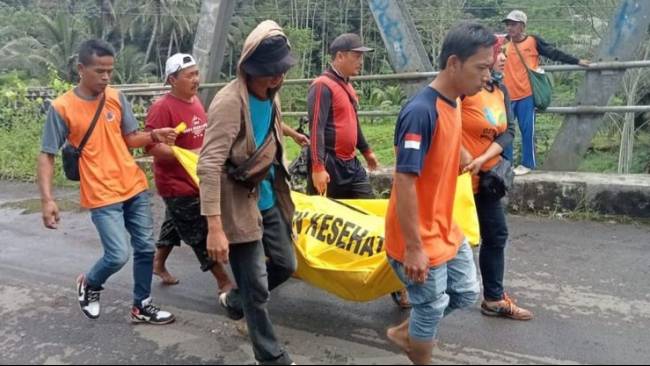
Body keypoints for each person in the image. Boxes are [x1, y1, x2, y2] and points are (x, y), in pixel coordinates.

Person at [38, 39, 176, 324]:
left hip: (133, 184)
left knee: (146, 248)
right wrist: (47, 199)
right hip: (101, 192)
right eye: (99, 71)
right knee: (116, 254)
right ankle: (90, 283)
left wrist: (154, 135)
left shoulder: (115, 97)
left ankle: (142, 305)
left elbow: (130, 138)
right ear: (81, 69)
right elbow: (47, 155)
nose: (105, 77)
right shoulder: (63, 107)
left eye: (110, 71)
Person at [384, 22, 495, 364]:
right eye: (481, 68)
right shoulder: (420, 112)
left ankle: (406, 332)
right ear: (453, 64)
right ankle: (420, 354)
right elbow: (404, 181)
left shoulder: (455, 100)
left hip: (445, 226)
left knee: (465, 292)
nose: (487, 77)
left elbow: (448, 139)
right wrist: (414, 248)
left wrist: (464, 157)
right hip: (417, 237)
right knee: (430, 306)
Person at [198, 20, 297, 365]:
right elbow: (208, 164)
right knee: (257, 286)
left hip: (269, 197)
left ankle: (234, 300)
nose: (277, 78)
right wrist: (214, 226)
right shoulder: (228, 102)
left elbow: (271, 134)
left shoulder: (272, 94)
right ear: (249, 70)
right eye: (271, 73)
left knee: (286, 264)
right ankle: (270, 356)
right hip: (238, 204)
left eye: (280, 72)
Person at [145, 53, 234, 295]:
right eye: (189, 75)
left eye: (196, 74)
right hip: (176, 184)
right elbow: (152, 147)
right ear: (172, 80)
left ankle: (157, 263)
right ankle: (223, 282)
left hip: (198, 179)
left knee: (175, 222)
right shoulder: (161, 108)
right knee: (199, 232)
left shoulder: (195, 102)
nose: (196, 79)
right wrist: (184, 153)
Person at [461, 37, 533, 320]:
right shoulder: (464, 90)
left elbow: (508, 132)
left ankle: (493, 298)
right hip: (459, 180)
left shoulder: (500, 89)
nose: (503, 57)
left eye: (503, 52)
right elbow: (445, 123)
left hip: (488, 179)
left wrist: (483, 157)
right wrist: (468, 157)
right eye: (497, 53)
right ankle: (408, 289)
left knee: (496, 234)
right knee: (443, 239)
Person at [502, 10, 589, 175]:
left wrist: (577, 61)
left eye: (513, 24)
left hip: (526, 95)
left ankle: (528, 164)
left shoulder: (533, 41)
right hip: (507, 96)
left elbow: (553, 53)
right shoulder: (504, 45)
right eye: (508, 24)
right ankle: (507, 164)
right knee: (506, 132)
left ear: (522, 26)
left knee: (528, 130)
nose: (509, 27)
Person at [307, 33, 380, 199]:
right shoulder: (321, 86)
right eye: (356, 56)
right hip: (329, 163)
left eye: (361, 56)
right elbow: (316, 129)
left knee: (366, 207)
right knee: (328, 215)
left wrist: (366, 151)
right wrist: (318, 168)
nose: (361, 61)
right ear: (340, 56)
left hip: (350, 163)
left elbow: (354, 123)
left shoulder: (348, 86)